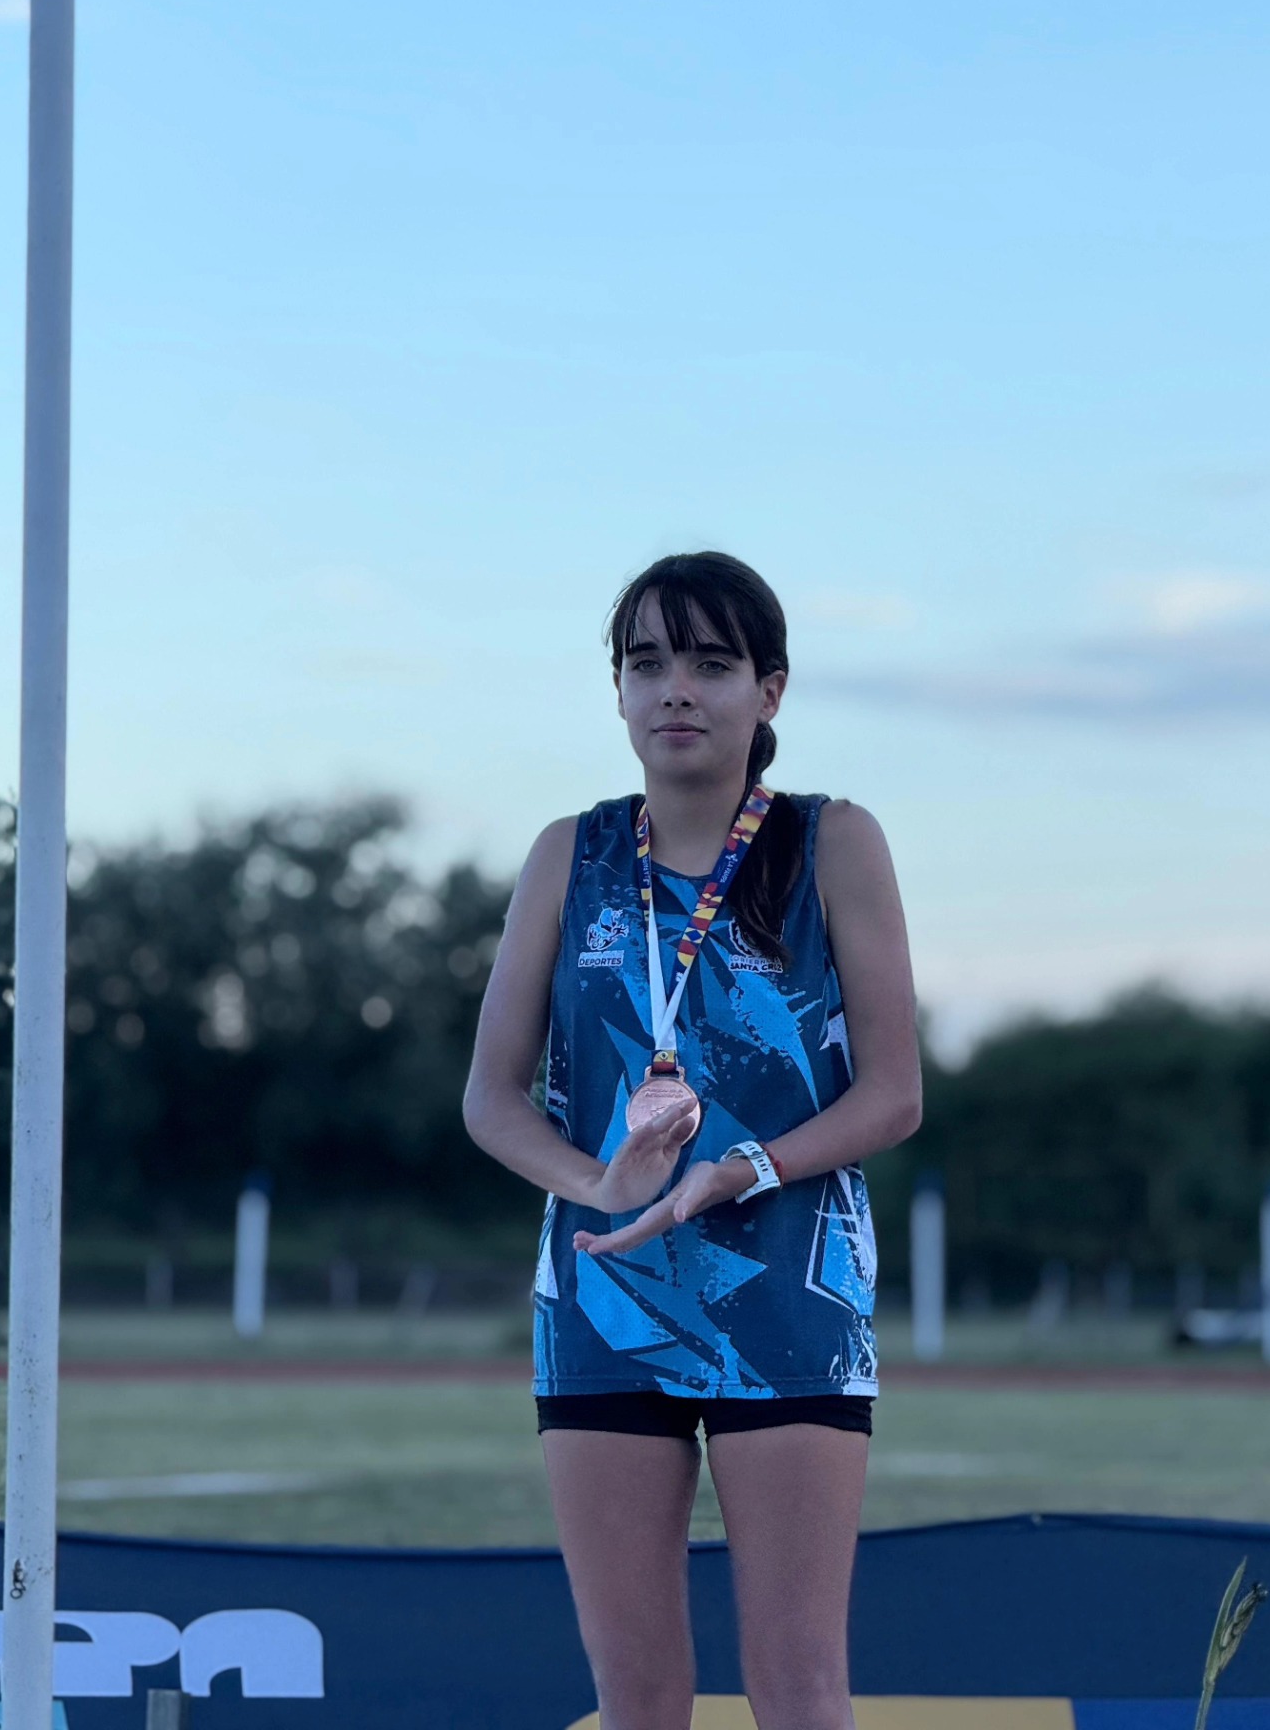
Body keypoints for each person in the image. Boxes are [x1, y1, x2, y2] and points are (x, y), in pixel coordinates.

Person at [463, 551, 922, 1730]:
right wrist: (599, 1180)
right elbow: (492, 1100)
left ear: (769, 691)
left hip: (791, 1296)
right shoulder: (569, 852)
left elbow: (893, 1095)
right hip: (604, 1294)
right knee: (636, 1696)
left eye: (711, 664)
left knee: (799, 1687)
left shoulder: (832, 840)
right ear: (617, 691)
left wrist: (743, 1168)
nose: (675, 688)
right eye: (647, 663)